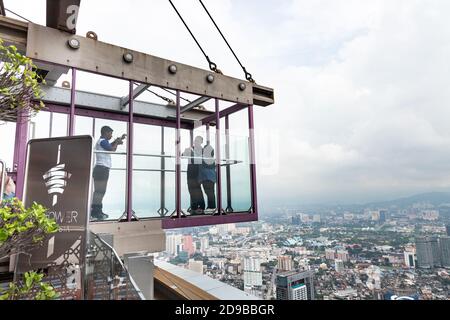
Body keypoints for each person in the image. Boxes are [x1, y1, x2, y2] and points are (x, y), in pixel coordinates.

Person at [91, 126, 126, 220]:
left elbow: (109, 146)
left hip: (101, 169)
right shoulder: (102, 141)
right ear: (105, 133)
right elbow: (112, 149)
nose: (111, 135)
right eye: (110, 133)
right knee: (100, 191)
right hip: (101, 169)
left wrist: (118, 140)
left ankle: (97, 211)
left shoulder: (102, 141)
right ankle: (95, 212)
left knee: (100, 191)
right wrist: (117, 143)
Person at [183, 136, 205, 215]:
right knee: (191, 190)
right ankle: (194, 208)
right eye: (195, 140)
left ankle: (201, 207)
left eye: (198, 141)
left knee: (198, 190)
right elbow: (183, 155)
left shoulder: (203, 150)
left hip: (198, 173)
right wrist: (187, 150)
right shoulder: (190, 149)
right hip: (190, 173)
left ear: (201, 142)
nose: (196, 142)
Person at [199, 141, 217, 214]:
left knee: (209, 193)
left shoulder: (205, 158)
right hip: (211, 178)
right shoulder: (212, 159)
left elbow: (202, 167)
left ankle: (211, 207)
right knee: (211, 192)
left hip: (206, 177)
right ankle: (211, 207)